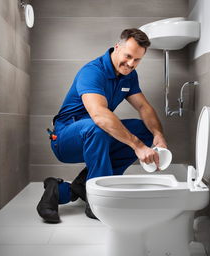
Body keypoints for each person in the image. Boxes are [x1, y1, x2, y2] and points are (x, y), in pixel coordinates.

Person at [37, 28, 167, 223]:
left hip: (96, 134)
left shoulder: (129, 75)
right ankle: (99, 202)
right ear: (117, 47)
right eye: (128, 56)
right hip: (65, 139)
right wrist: (138, 146)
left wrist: (158, 134)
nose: (131, 64)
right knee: (98, 126)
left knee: (143, 130)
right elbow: (99, 115)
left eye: (137, 60)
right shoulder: (92, 72)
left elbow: (143, 106)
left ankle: (69, 188)